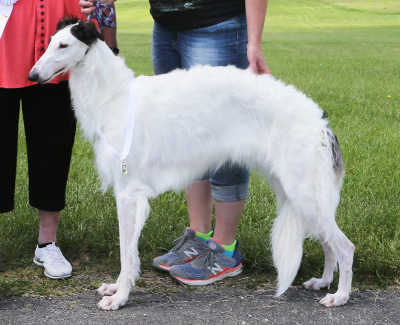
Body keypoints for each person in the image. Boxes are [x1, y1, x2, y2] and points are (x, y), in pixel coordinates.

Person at [80, 0, 271, 285]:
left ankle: (225, 249)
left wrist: (254, 42)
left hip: (216, 25)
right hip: (167, 29)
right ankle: (199, 237)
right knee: (187, 135)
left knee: (226, 135)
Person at [0, 0, 117, 279]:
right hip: (6, 38)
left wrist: (111, 44)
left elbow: (103, 3)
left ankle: (47, 243)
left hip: (60, 38)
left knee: (52, 147)